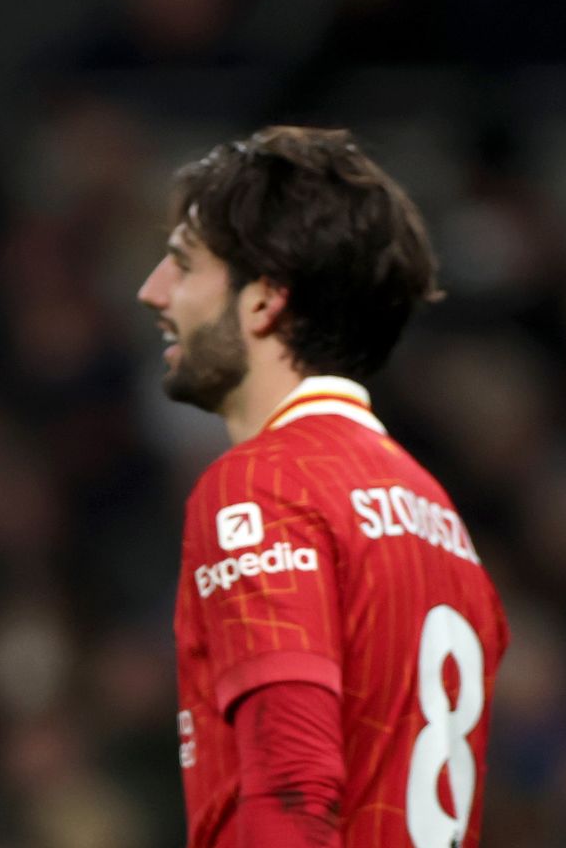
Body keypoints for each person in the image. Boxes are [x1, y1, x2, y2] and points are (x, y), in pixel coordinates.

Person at [136, 126, 509, 848]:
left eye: (183, 265)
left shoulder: (261, 485)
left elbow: (293, 792)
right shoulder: (440, 516)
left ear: (264, 301)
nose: (152, 291)